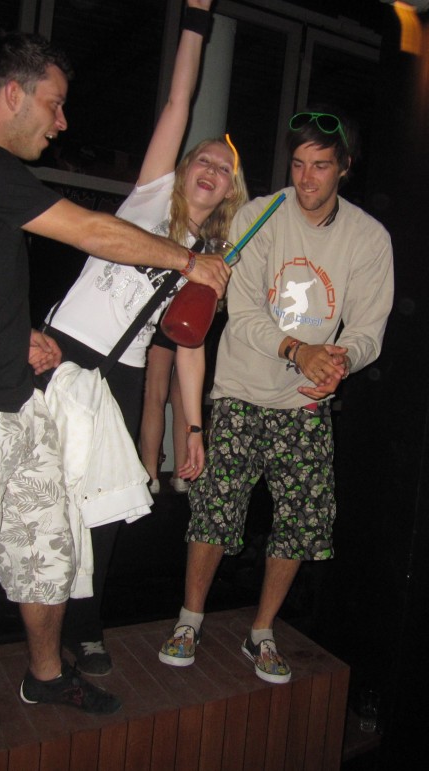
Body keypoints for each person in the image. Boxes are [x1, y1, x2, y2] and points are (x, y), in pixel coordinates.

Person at [0, 29, 230, 761]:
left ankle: (45, 674)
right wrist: (187, 261)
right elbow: (88, 231)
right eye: (55, 103)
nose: (61, 121)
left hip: (15, 396)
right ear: (13, 95)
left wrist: (22, 336)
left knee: (48, 543)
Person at [44, 0, 248, 677]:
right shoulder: (149, 201)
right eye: (204, 159)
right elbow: (178, 101)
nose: (212, 168)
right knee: (40, 492)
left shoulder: (212, 259)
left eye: (224, 168)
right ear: (184, 168)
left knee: (101, 510)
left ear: (228, 192)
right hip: (64, 350)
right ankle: (26, 619)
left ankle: (85, 626)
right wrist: (196, 17)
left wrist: (192, 428)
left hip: (123, 376)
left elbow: (190, 346)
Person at [159, 107, 394, 684]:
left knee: (301, 519)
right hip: (241, 387)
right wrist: (298, 350)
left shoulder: (369, 238)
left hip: (306, 400)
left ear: (344, 167)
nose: (306, 178)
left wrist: (341, 361)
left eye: (321, 166)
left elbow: (369, 329)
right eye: (298, 164)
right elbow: (242, 313)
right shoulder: (259, 215)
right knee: (215, 508)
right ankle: (190, 619)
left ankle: (261, 631)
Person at [140, 325, 191, 495]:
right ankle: (181, 476)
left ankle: (151, 477)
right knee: (185, 399)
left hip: (164, 320)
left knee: (154, 396)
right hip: (195, 319)